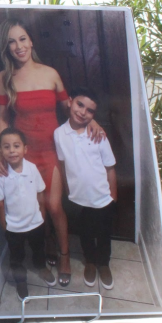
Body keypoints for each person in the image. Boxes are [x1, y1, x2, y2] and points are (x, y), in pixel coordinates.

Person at [0, 18, 106, 286]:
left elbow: (70, 107)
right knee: (38, 208)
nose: (18, 46)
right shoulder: (4, 78)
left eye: (22, 39)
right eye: (11, 42)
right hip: (24, 155)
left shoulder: (50, 73)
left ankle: (64, 256)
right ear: (7, 48)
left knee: (55, 206)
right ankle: (46, 249)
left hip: (52, 151)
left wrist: (91, 119)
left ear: (31, 41)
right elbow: (2, 118)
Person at [54, 89, 118, 290]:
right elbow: (63, 164)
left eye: (90, 111)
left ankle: (103, 263)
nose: (83, 112)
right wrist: (66, 189)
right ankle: (90, 262)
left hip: (102, 196)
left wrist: (113, 195)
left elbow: (109, 167)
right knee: (85, 232)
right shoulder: (59, 134)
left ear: (94, 115)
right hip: (78, 197)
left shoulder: (97, 134)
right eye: (80, 105)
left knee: (104, 232)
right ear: (70, 102)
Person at [0, 128, 59, 298]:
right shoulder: (1, 174)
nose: (12, 150)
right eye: (6, 147)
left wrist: (42, 215)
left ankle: (41, 268)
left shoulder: (32, 168)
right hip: (13, 227)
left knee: (38, 248)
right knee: (16, 257)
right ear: (0, 150)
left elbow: (40, 192)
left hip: (35, 222)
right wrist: (4, 224)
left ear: (25, 149)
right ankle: (21, 282)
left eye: (16, 146)